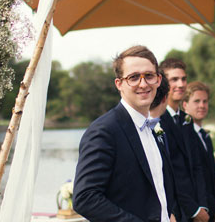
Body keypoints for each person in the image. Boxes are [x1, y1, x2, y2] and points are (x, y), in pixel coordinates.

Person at [73, 45, 177, 222]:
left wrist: (169, 214)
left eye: (149, 76)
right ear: (119, 84)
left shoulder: (152, 128)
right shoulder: (104, 131)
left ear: (158, 80)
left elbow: (158, 188)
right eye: (133, 77)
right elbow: (85, 198)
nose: (143, 84)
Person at [158, 58, 209, 222]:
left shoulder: (186, 120)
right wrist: (193, 209)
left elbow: (197, 166)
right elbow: (168, 172)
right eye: (174, 79)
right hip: (174, 211)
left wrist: (203, 205)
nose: (180, 84)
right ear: (162, 82)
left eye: (183, 79)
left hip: (198, 208)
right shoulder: (157, 121)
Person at [182, 81, 215, 222]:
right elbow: (194, 178)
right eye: (197, 101)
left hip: (214, 207)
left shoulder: (205, 136)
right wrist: (214, 208)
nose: (202, 105)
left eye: (205, 101)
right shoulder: (184, 136)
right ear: (185, 105)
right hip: (199, 211)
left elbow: (213, 172)